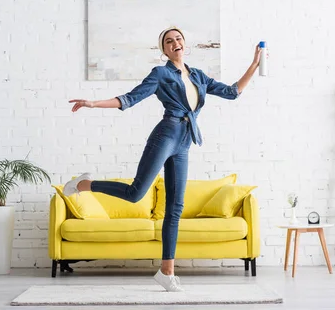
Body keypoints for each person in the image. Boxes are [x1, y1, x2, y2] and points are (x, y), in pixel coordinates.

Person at [65, 27, 262, 292]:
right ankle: (84, 185)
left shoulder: (199, 76)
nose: (175, 43)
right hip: (165, 135)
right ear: (164, 50)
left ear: (185, 44)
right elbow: (129, 99)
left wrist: (253, 65)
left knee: (175, 208)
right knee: (136, 193)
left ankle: (167, 272)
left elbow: (232, 92)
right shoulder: (161, 74)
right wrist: (93, 103)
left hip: (184, 141)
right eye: (169, 41)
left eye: (178, 38)